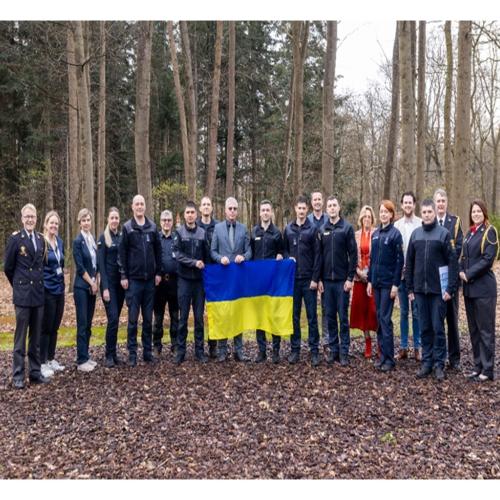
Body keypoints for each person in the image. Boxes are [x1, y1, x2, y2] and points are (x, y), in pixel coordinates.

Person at [405, 199, 458, 381]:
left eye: (430, 212)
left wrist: (450, 289)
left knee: (438, 328)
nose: (427, 215)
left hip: (438, 292)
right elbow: (409, 263)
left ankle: (439, 364)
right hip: (420, 291)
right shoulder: (416, 235)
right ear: (422, 213)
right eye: (424, 212)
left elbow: (452, 263)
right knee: (425, 328)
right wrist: (410, 288)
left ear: (435, 213)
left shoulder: (443, 234)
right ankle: (426, 362)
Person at [4, 203, 49, 389]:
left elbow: (42, 265)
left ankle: (35, 372)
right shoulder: (15, 239)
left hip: (38, 295)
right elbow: (8, 267)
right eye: (27, 217)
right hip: (23, 296)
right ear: (22, 219)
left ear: (36, 219)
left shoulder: (40, 239)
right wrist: (18, 285)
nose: (30, 219)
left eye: (33, 216)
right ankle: (18, 375)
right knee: (20, 338)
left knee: (36, 337)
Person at [119, 195, 162, 366]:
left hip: (150, 281)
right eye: (136, 204)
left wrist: (158, 272)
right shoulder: (127, 228)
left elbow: (158, 252)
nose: (139, 207)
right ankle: (132, 353)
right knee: (132, 319)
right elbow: (121, 255)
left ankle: (147, 352)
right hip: (134, 282)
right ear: (132, 207)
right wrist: (123, 275)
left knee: (148, 319)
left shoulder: (152, 227)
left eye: (142, 204)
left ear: (145, 207)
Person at [459, 200, 498, 382]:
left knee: (485, 331)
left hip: (483, 289)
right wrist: (460, 269)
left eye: (478, 211)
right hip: (469, 290)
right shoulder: (470, 233)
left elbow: (487, 259)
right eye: (473, 211)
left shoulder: (489, 232)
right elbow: (465, 256)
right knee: (474, 331)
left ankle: (488, 369)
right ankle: (478, 366)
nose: (475, 214)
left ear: (484, 212)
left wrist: (468, 274)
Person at [211, 197, 252, 362]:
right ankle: (222, 350)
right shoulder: (218, 228)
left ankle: (239, 350)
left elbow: (250, 251)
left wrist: (244, 256)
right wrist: (220, 259)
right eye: (230, 208)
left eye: (235, 208)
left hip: (239, 279)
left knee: (237, 313)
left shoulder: (243, 228)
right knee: (223, 313)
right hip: (223, 277)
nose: (233, 211)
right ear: (225, 210)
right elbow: (212, 251)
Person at [317, 196, 357, 366]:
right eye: (330, 206)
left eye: (334, 205)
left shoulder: (346, 228)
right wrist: (318, 279)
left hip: (342, 282)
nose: (332, 208)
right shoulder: (322, 229)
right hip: (326, 281)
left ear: (339, 208)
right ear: (327, 209)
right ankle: (334, 350)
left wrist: (350, 278)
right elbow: (318, 257)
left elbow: (353, 255)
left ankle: (344, 351)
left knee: (343, 318)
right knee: (330, 317)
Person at [283, 195, 321, 366]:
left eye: (304, 208)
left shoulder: (313, 230)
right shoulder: (288, 229)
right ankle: (295, 349)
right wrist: (286, 258)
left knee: (312, 317)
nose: (301, 211)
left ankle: (314, 351)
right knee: (294, 317)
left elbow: (318, 256)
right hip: (293, 280)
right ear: (295, 209)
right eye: (299, 208)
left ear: (307, 209)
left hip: (308, 280)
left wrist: (315, 278)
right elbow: (283, 251)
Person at [367, 201, 404, 372]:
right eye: (381, 211)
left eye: (386, 212)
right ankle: (382, 356)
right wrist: (369, 281)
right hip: (377, 283)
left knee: (385, 319)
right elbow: (372, 260)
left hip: (389, 284)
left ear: (391, 214)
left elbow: (399, 262)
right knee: (379, 318)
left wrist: (396, 284)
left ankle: (389, 359)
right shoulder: (375, 234)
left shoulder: (395, 235)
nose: (383, 214)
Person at [172, 201, 210, 364]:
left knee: (199, 319)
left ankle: (199, 351)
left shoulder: (202, 233)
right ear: (184, 214)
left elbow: (208, 256)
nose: (190, 215)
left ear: (196, 214)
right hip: (184, 280)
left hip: (199, 283)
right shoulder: (179, 233)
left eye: (192, 212)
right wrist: (194, 262)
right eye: (187, 212)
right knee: (183, 318)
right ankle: (181, 351)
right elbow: (177, 255)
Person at [251, 200, 284, 363]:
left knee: (274, 316)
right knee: (260, 317)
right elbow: (249, 255)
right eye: (262, 210)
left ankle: (276, 351)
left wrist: (281, 255)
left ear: (271, 212)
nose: (265, 212)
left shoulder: (277, 233)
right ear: (259, 212)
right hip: (257, 282)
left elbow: (282, 252)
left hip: (274, 282)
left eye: (267, 210)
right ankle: (261, 351)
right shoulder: (254, 232)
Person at [434, 188, 463, 370]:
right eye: (438, 201)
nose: (441, 204)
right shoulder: (430, 223)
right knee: (437, 320)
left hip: (451, 278)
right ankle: (439, 357)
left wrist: (448, 261)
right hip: (435, 279)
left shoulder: (455, 222)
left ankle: (455, 358)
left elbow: (458, 247)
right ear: (435, 203)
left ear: (447, 202)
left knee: (452, 320)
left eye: (443, 200)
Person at [394, 191, 422, 361]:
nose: (408, 205)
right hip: (402, 277)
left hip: (417, 276)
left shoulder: (420, 224)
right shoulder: (397, 225)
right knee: (404, 312)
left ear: (414, 204)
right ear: (402, 204)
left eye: (410, 202)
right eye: (405, 202)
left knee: (417, 313)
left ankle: (417, 347)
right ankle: (403, 347)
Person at [97, 207, 125, 368]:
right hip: (109, 286)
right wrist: (105, 288)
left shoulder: (120, 237)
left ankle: (114, 353)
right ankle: (108, 353)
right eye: (112, 217)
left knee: (116, 320)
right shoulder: (103, 238)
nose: (114, 220)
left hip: (120, 285)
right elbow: (101, 264)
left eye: (116, 217)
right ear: (108, 219)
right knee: (113, 318)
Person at [349, 205, 378, 359]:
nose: (367, 219)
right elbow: (351, 256)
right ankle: (367, 342)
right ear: (361, 218)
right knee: (363, 312)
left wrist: (371, 275)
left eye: (369, 216)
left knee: (374, 311)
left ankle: (380, 343)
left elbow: (379, 256)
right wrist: (358, 272)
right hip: (359, 279)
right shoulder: (355, 235)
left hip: (374, 279)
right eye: (364, 216)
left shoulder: (377, 233)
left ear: (372, 219)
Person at [40, 210, 66, 378]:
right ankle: (42, 362)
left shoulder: (60, 242)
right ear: (46, 224)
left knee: (55, 326)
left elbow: (61, 264)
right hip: (47, 289)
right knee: (46, 327)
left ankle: (51, 358)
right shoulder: (42, 243)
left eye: (56, 223)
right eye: (52, 223)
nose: (54, 226)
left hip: (60, 289)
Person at [73, 208, 99, 372]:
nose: (86, 223)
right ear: (79, 223)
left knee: (89, 323)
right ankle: (81, 360)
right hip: (82, 287)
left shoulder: (92, 239)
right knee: (82, 323)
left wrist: (97, 281)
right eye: (83, 220)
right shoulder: (77, 242)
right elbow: (80, 268)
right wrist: (92, 282)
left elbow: (95, 264)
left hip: (92, 287)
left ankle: (86, 355)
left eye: (88, 220)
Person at [152, 210, 179, 357]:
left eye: (169, 220)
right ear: (160, 222)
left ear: (172, 222)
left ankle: (175, 345)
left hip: (175, 283)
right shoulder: (156, 238)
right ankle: (157, 345)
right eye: (164, 220)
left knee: (175, 316)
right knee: (158, 317)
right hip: (159, 284)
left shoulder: (177, 238)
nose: (166, 222)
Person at [197, 196, 219, 358]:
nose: (206, 207)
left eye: (208, 204)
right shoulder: (194, 226)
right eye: (203, 204)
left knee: (214, 312)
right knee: (198, 313)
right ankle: (199, 348)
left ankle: (213, 345)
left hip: (214, 274)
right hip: (197, 275)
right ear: (200, 208)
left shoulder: (218, 226)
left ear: (211, 208)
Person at [307, 191, 329, 353]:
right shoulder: (307, 221)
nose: (317, 202)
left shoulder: (329, 219)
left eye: (319, 199)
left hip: (328, 270)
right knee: (312, 309)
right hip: (312, 272)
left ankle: (327, 340)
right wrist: (316, 277)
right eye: (314, 199)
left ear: (323, 201)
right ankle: (313, 342)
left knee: (327, 308)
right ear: (311, 202)